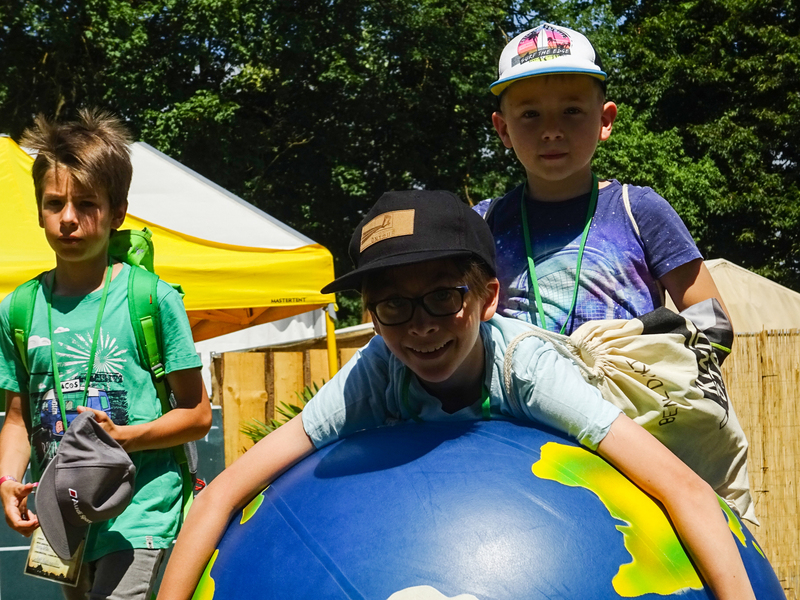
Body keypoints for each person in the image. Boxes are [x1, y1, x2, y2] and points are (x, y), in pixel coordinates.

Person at [158, 190, 755, 600]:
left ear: (489, 298)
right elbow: (221, 495)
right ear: (371, 316)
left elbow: (680, 487)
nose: (421, 327)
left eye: (444, 297)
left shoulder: (527, 369)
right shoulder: (376, 372)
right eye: (394, 306)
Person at [0, 109, 212, 600]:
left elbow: (198, 415)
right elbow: (18, 419)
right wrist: (8, 479)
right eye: (54, 203)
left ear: (118, 212)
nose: (68, 218)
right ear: (39, 209)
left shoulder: (151, 299)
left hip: (140, 510)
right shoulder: (19, 308)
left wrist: (125, 437)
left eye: (86, 203)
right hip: (63, 511)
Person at [474, 23, 730, 335]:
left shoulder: (639, 211)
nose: (551, 130)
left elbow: (714, 326)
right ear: (503, 129)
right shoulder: (481, 224)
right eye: (530, 114)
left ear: (605, 120)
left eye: (571, 110)